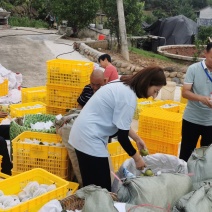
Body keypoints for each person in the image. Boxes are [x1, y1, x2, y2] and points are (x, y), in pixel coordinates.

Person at [68, 66, 166, 191]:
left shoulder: (122, 83)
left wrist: (136, 138)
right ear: (147, 83)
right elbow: (122, 138)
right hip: (89, 138)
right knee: (101, 189)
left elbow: (120, 123)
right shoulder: (128, 98)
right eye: (155, 91)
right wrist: (138, 159)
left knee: (92, 187)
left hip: (83, 134)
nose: (154, 96)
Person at [179, 42, 212, 162]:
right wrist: (202, 99)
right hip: (192, 119)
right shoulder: (193, 69)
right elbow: (185, 92)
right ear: (205, 53)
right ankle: (184, 178)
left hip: (210, 122)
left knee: (207, 157)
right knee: (186, 154)